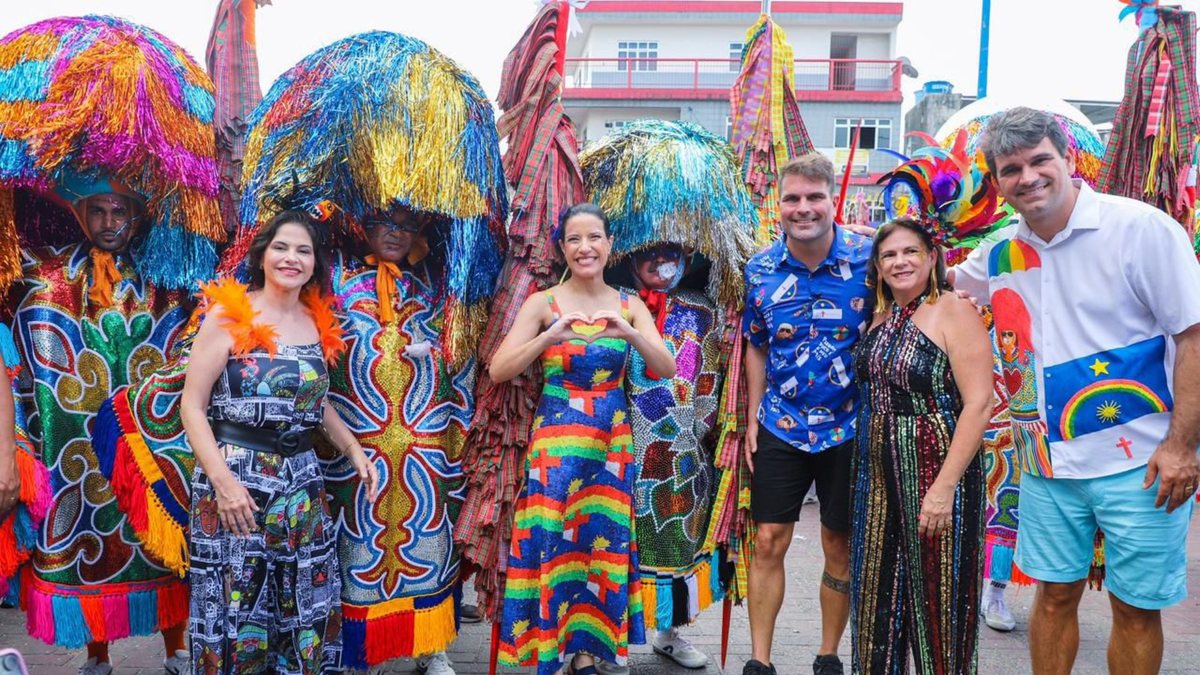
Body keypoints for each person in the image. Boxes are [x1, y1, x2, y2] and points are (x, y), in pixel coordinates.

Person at [228, 32, 508, 674]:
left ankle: (431, 644)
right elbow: (304, 355)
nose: (396, 229)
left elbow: (463, 357)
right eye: (385, 216)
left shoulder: (439, 284)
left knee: (429, 547)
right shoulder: (330, 277)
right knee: (351, 554)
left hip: (425, 448)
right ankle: (356, 649)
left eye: (409, 220)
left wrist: (451, 402)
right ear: (362, 217)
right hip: (349, 444)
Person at [1, 17, 226, 675]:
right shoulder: (44, 277)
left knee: (166, 545)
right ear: (80, 212)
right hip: (72, 452)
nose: (106, 220)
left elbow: (197, 348)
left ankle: (177, 651)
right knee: (91, 545)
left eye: (117, 211)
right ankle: (97, 654)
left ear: (136, 213)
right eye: (94, 210)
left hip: (152, 443)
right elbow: (19, 353)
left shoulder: (170, 279)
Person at [950, 106, 1200, 675]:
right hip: (1045, 466)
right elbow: (936, 278)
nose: (1029, 176)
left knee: (1135, 609)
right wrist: (862, 245)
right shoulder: (1000, 252)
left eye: (1041, 160)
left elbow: (1193, 336)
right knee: (1054, 597)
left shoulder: (1140, 229)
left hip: (1141, 465)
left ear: (1067, 160)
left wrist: (1183, 447)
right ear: (998, 182)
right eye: (1011, 168)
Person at [576, 119, 760, 674]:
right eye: (650, 252)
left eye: (672, 252)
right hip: (621, 447)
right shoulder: (613, 303)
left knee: (681, 539)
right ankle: (610, 638)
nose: (662, 261)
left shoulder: (708, 309)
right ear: (629, 254)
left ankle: (671, 632)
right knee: (615, 544)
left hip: (686, 452)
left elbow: (731, 373)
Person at [180, 211, 378, 674]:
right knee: (236, 600)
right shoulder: (229, 316)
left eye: (303, 251)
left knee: (302, 602)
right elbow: (193, 406)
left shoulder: (316, 320)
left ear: (315, 263)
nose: (292, 258)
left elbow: (315, 400)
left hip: (301, 484)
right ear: (262, 254)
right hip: (237, 481)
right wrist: (222, 482)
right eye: (282, 247)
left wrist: (352, 449)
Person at [491, 203, 675, 675]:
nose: (585, 247)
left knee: (603, 541)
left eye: (594, 237)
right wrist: (548, 336)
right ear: (562, 248)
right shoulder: (542, 302)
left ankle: (588, 652)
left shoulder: (629, 304)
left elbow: (667, 369)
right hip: (556, 440)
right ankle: (550, 650)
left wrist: (629, 335)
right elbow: (499, 370)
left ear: (610, 244)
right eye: (574, 239)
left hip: (611, 444)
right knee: (555, 541)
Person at [742, 153, 873, 675]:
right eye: (792, 198)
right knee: (769, 539)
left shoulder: (871, 258)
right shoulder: (759, 268)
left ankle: (827, 656)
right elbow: (756, 344)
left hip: (851, 425)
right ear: (778, 205)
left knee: (837, 542)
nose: (803, 208)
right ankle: (759, 661)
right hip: (781, 423)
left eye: (814, 197)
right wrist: (752, 416)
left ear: (833, 199)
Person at [850, 217, 992, 673]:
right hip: (874, 470)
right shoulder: (880, 314)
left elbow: (978, 404)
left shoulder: (955, 309)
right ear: (878, 265)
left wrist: (943, 489)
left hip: (937, 464)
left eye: (910, 251)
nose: (900, 261)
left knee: (941, 598)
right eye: (889, 254)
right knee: (874, 597)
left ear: (932, 257)